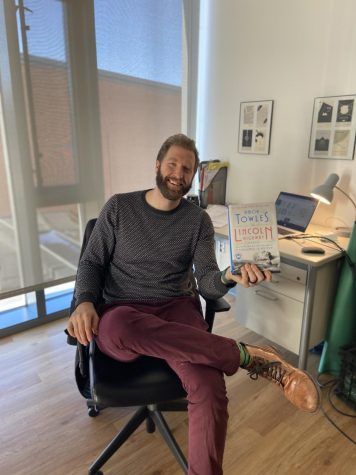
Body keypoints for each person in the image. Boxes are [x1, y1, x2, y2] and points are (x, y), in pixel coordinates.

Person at [67, 133, 320, 475]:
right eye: (172, 163)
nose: (178, 172)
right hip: (124, 311)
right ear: (157, 165)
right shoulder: (118, 208)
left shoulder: (197, 220)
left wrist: (231, 276)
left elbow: (208, 283)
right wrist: (84, 301)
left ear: (192, 177)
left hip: (175, 309)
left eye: (186, 168)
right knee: (116, 327)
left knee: (209, 385)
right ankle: (247, 356)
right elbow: (91, 263)